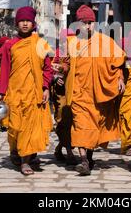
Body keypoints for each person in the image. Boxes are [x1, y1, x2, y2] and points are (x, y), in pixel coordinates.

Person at [63, 5, 126, 175]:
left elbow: (118, 62)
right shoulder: (71, 43)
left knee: (93, 128)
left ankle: (88, 156)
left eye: (91, 22)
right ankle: (83, 160)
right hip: (78, 93)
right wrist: (61, 70)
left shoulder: (105, 42)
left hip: (98, 94)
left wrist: (119, 77)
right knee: (80, 125)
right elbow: (65, 63)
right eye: (84, 23)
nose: (88, 26)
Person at [0, 7, 54, 175]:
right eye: (22, 21)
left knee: (30, 127)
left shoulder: (40, 44)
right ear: (17, 24)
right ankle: (17, 151)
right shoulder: (10, 45)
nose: (25, 24)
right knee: (15, 127)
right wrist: (1, 91)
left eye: (28, 21)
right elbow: (5, 69)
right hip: (15, 92)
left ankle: (25, 161)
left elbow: (47, 69)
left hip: (34, 93)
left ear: (33, 23)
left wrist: (45, 87)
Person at [51, 29, 77, 165]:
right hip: (61, 93)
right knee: (63, 120)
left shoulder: (78, 52)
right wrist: (55, 78)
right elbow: (48, 70)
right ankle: (69, 152)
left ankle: (60, 148)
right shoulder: (57, 53)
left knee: (73, 121)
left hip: (75, 92)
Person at [0, 36, 10, 132]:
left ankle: (10, 121)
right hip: (2, 77)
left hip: (12, 77)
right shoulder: (1, 52)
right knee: (2, 100)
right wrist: (6, 46)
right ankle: (4, 123)